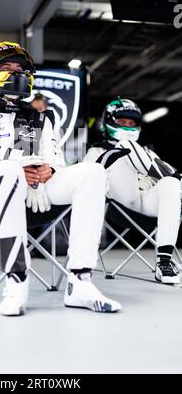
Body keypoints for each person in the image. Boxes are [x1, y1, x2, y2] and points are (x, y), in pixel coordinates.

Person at [0, 40, 122, 316]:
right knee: (7, 170)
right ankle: (16, 281)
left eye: (20, 69)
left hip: (39, 191)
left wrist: (51, 171)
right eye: (6, 67)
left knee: (93, 171)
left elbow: (55, 161)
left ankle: (80, 281)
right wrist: (11, 169)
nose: (16, 73)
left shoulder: (36, 119)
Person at [84, 97, 181, 284]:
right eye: (122, 122)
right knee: (125, 146)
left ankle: (164, 262)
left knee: (170, 183)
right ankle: (178, 176)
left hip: (146, 203)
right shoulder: (95, 152)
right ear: (109, 122)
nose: (128, 127)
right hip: (118, 207)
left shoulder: (147, 152)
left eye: (132, 123)